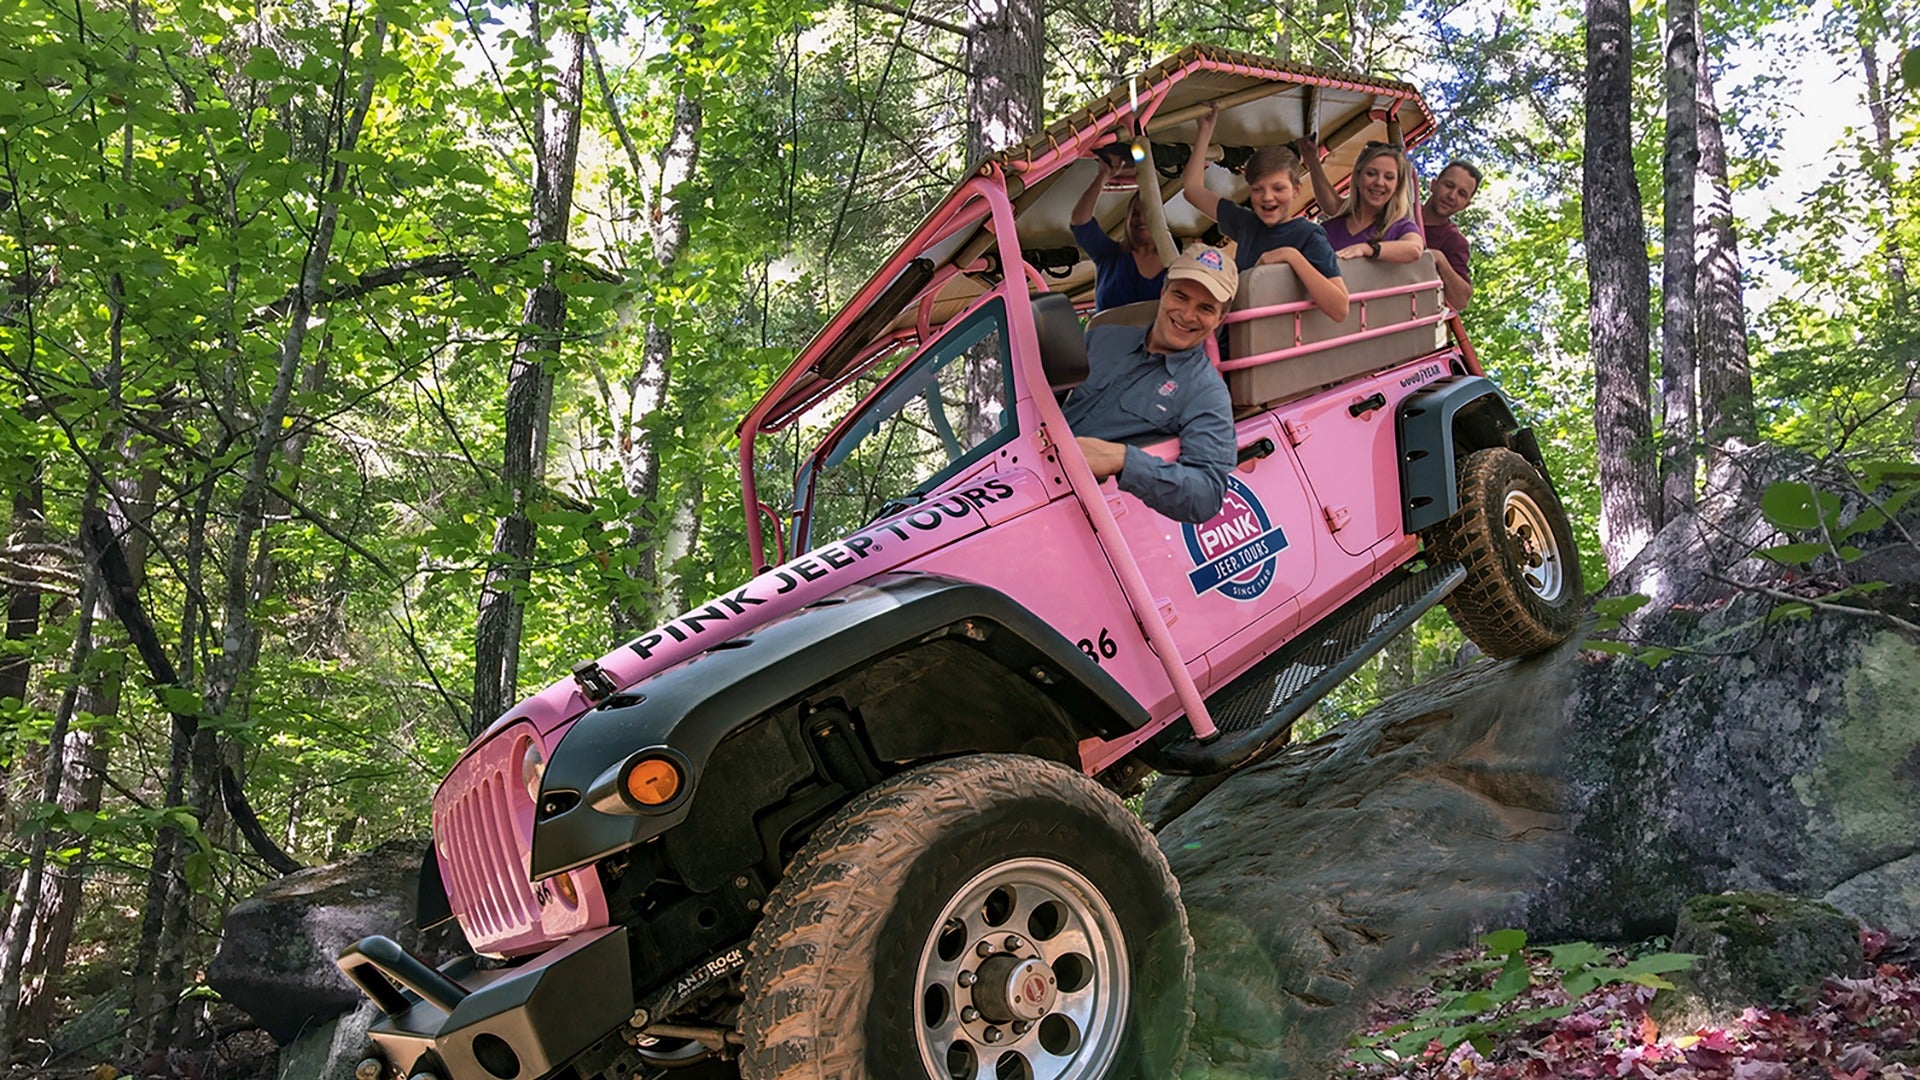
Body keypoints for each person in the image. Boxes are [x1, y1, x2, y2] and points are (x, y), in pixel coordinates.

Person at [1063, 246, 1239, 523]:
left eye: (1205, 308)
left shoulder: (1207, 393)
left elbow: (1207, 495)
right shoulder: (1101, 337)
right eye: (1180, 296)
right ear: (1163, 292)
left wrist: (1123, 459)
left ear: (1220, 319)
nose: (1188, 314)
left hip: (1077, 509)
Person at [1183, 104, 1349, 322]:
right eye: (1258, 190)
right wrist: (1205, 131)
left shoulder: (1309, 235)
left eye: (1278, 188)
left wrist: (1291, 256)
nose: (1267, 197)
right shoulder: (1246, 222)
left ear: (1296, 190)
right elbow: (1193, 191)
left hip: (1275, 337)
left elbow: (1340, 308)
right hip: (1239, 327)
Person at [1295, 139, 1425, 263]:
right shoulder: (1328, 229)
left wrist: (1367, 249)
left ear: (1397, 185)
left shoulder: (1399, 227)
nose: (1379, 183)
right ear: (1357, 177)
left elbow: (1415, 249)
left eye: (1389, 177)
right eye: (1371, 174)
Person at [1070, 156, 1168, 311]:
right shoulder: (1109, 254)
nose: (1140, 220)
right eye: (1135, 214)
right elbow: (1080, 221)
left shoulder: (1175, 263)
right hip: (1107, 335)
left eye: (1147, 214)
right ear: (1127, 219)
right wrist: (1104, 175)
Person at [1421, 160, 1482, 311]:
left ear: (1465, 205)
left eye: (1462, 194)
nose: (1452, 196)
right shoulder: (1401, 213)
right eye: (1449, 185)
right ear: (1433, 185)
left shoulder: (1455, 241)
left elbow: (1460, 301)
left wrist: (1440, 259)